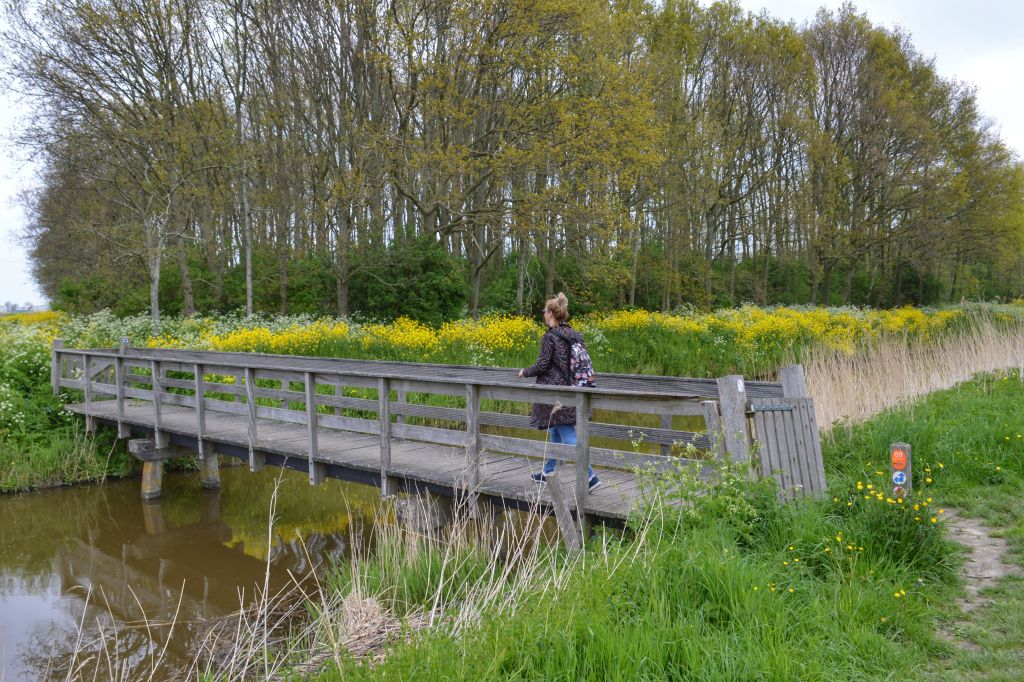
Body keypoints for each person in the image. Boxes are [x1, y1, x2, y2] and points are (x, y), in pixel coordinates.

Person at [518, 292, 600, 491]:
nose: (544, 314)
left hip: (556, 392)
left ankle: (590, 476)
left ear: (551, 314)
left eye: (545, 311)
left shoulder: (550, 337)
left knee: (567, 433)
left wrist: (524, 372)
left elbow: (542, 365)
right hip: (574, 389)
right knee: (555, 429)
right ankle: (548, 471)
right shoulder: (575, 334)